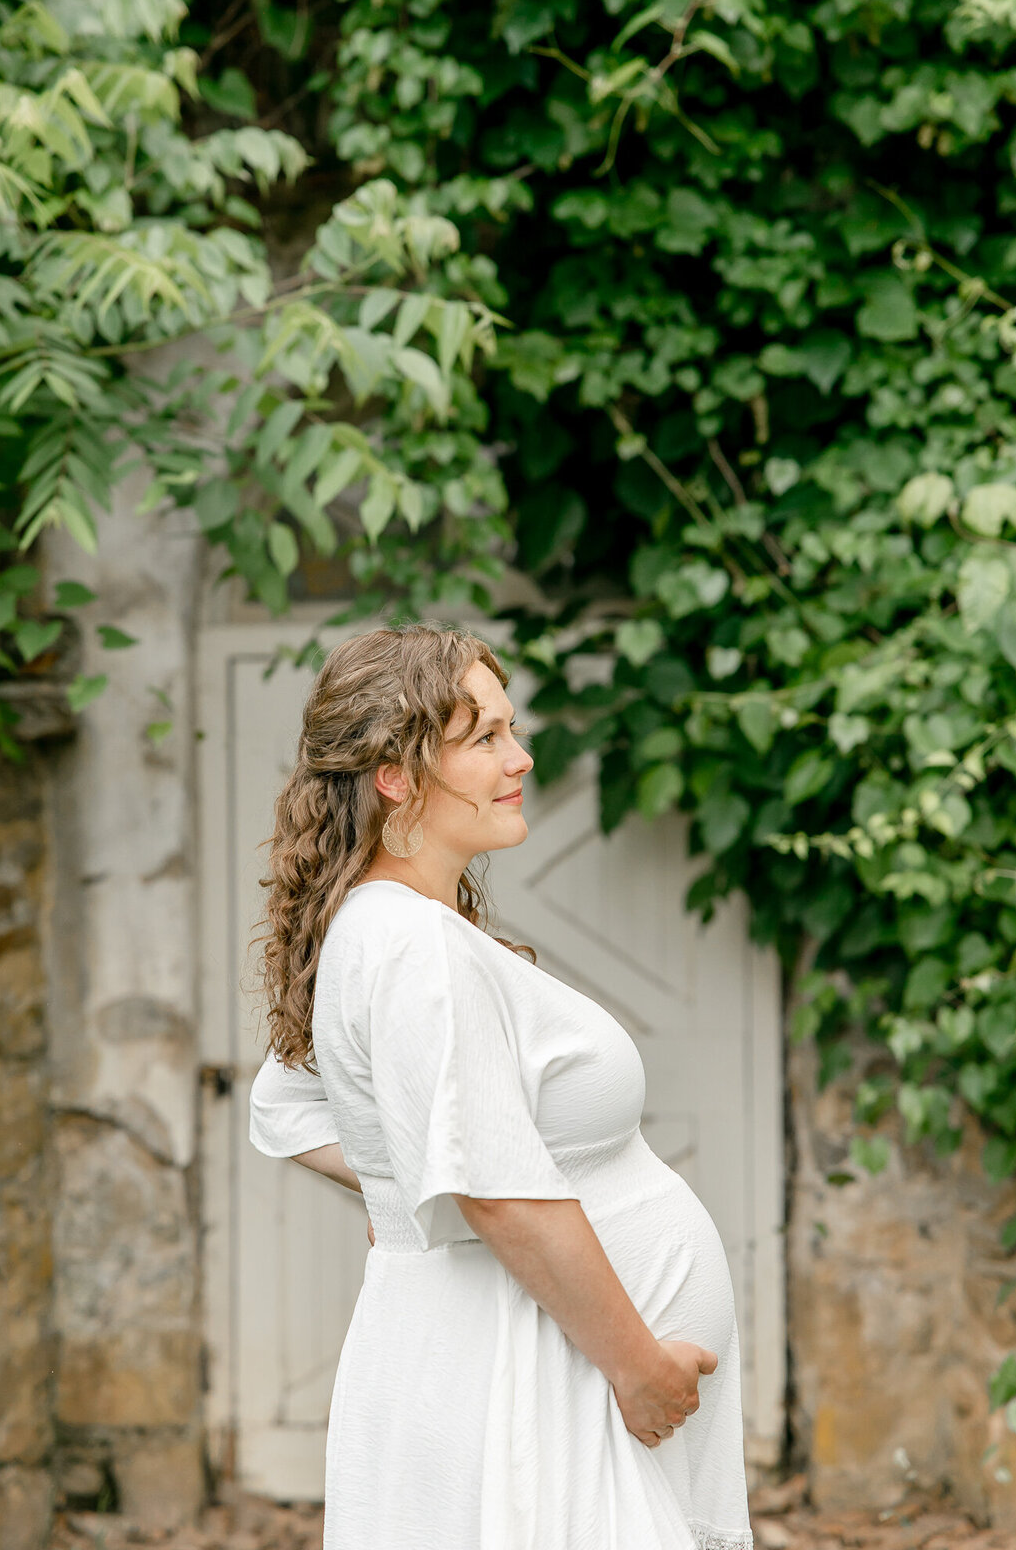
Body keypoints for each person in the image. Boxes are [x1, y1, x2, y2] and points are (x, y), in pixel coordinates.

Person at [247, 620, 755, 1550]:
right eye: (482, 738)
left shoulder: (395, 927)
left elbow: (292, 1105)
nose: (519, 757)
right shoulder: (411, 945)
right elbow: (500, 1193)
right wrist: (639, 1367)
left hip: (537, 1358)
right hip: (550, 1371)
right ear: (395, 774)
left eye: (509, 728)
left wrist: (403, 1175)